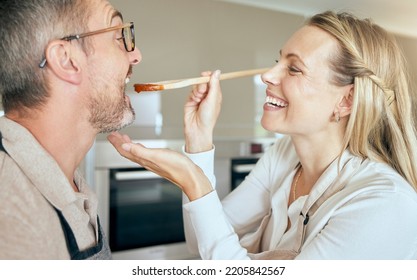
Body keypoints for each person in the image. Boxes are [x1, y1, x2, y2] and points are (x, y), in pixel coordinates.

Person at [108, 11, 417, 259]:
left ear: (346, 100)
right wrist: (199, 140)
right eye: (277, 61)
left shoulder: (384, 204)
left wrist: (194, 181)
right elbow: (200, 241)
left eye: (294, 69)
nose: (267, 76)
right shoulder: (285, 154)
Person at [0, 0, 141, 259]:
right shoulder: (12, 220)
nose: (135, 55)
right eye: (118, 36)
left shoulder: (71, 182)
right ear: (66, 60)